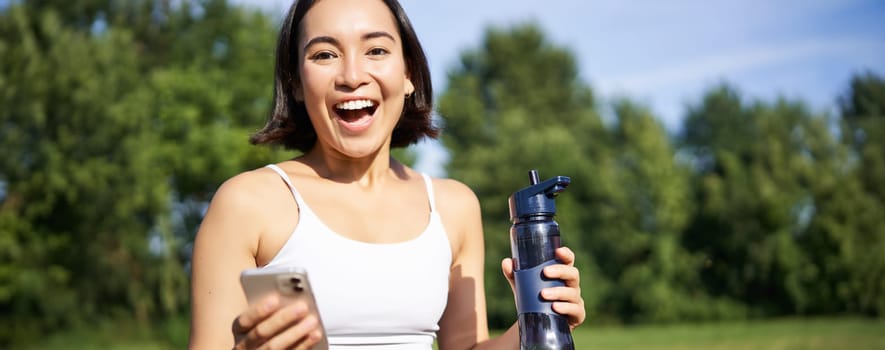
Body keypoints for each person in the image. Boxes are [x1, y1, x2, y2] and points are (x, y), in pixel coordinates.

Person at [188, 0, 586, 349]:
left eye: (376, 50)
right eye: (324, 55)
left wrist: (535, 325)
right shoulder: (247, 203)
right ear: (294, 82)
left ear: (409, 73)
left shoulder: (454, 205)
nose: (351, 75)